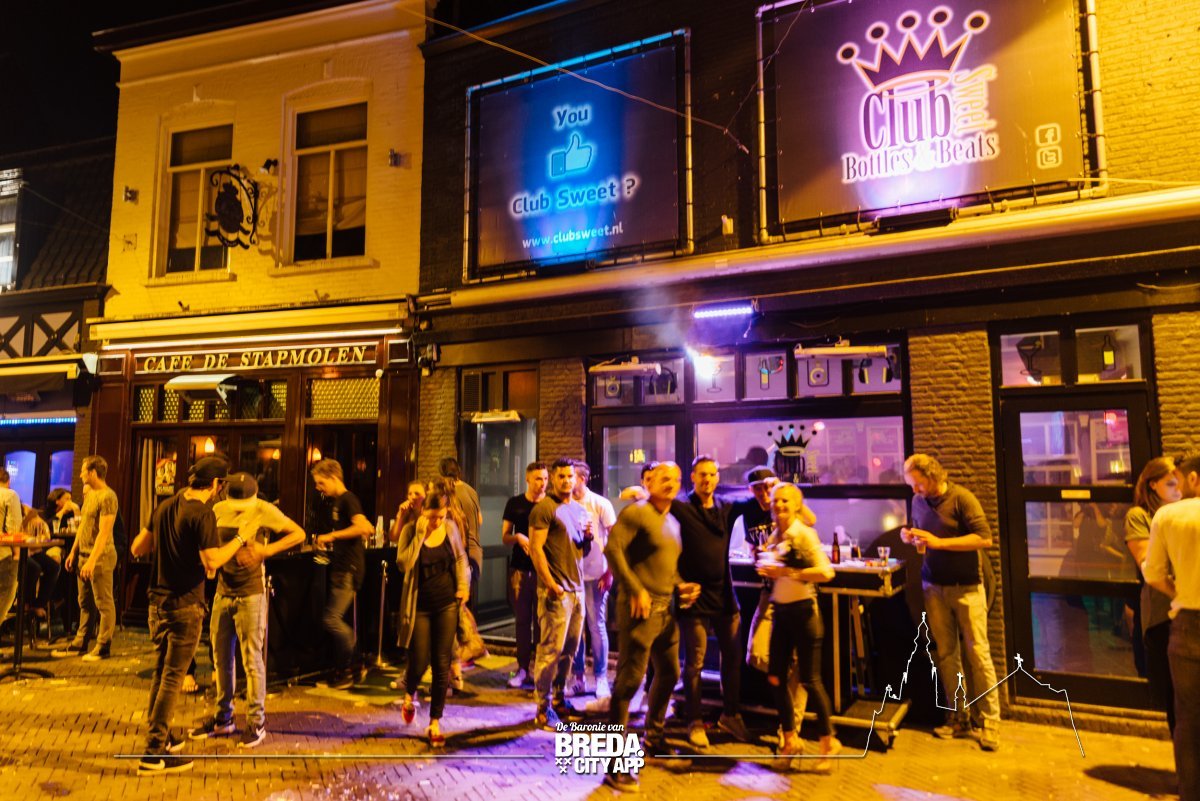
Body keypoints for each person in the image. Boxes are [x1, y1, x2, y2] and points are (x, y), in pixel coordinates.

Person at [129, 456, 245, 774]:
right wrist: (239, 539)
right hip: (184, 605)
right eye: (222, 484)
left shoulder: (166, 505)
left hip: (156, 603)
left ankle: (161, 736)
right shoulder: (203, 513)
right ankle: (153, 753)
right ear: (216, 484)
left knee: (161, 673)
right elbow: (212, 562)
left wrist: (171, 545)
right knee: (172, 678)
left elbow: (138, 548)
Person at [602, 462, 699, 793]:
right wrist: (634, 589)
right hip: (639, 610)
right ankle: (615, 765)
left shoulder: (672, 521)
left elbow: (667, 567)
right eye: (663, 478)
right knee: (628, 683)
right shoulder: (637, 513)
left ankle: (653, 741)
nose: (670, 483)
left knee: (669, 673)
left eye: (675, 479)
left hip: (666, 611)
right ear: (649, 482)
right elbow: (612, 549)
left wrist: (681, 585)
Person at [189, 473, 305, 749]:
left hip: (251, 594)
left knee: (252, 660)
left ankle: (256, 721)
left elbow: (298, 533)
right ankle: (224, 717)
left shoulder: (264, 509)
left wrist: (267, 550)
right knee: (221, 659)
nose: (240, 510)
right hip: (222, 592)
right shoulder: (218, 509)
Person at [901, 453, 1001, 752]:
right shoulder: (919, 501)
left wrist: (940, 543)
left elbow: (984, 539)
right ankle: (959, 717)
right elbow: (924, 541)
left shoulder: (962, 498)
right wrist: (912, 538)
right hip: (933, 586)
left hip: (967, 587)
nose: (915, 490)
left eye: (918, 483)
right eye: (911, 485)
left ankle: (990, 722)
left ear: (933, 476)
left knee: (978, 653)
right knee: (946, 654)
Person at [757, 483, 840, 770]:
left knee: (810, 680)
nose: (779, 505)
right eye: (775, 501)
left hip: (804, 612)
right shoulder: (775, 536)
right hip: (781, 612)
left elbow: (826, 572)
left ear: (796, 505)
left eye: (785, 501)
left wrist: (788, 572)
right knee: (775, 678)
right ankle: (791, 739)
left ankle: (828, 741)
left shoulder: (803, 533)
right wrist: (768, 569)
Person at [672, 456, 751, 747]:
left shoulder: (725, 507)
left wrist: (770, 487)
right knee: (695, 663)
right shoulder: (681, 507)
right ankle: (694, 722)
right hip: (695, 598)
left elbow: (755, 500)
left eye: (712, 474)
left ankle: (731, 714)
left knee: (732, 658)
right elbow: (655, 506)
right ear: (693, 477)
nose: (707, 479)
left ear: (718, 477)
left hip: (725, 594)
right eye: (702, 474)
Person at [395, 488, 470, 747]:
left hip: (447, 603)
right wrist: (420, 537)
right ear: (422, 512)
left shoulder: (450, 528)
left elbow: (460, 558)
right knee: (419, 660)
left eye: (440, 516)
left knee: (442, 663)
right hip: (419, 606)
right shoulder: (411, 530)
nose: (436, 522)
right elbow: (403, 564)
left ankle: (434, 723)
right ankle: (409, 693)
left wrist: (463, 586)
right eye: (431, 516)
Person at [1144, 453, 1200, 801]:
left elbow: (1152, 573)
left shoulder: (1168, 516)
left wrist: (1178, 591)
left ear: (1193, 479)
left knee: (1189, 719)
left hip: (1188, 622)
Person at [528, 457, 587, 730]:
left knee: (569, 651)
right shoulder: (543, 509)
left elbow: (578, 549)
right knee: (550, 651)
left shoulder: (578, 509)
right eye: (561, 476)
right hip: (556, 593)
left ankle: (559, 698)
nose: (566, 480)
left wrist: (587, 539)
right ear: (553, 478)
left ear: (576, 479)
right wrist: (551, 585)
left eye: (570, 476)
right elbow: (536, 549)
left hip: (577, 591)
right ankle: (542, 708)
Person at [1126, 457, 1181, 733]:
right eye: (1170, 484)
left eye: (1178, 483)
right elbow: (1147, 564)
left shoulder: (1184, 511)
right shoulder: (1140, 516)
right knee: (1172, 691)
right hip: (1162, 609)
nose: (1177, 489)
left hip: (1185, 608)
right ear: (1152, 484)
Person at [311, 458, 373, 689]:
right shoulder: (337, 502)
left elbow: (363, 527)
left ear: (334, 478)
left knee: (331, 619)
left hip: (349, 569)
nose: (318, 488)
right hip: (341, 568)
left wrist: (332, 536)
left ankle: (353, 664)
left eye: (321, 482)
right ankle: (348, 668)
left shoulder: (348, 499)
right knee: (335, 618)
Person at [55, 455, 119, 662]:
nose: (80, 474)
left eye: (83, 470)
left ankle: (103, 645)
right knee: (84, 602)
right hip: (83, 556)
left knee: (103, 602)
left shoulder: (108, 496)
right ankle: (81, 641)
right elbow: (83, 526)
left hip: (100, 557)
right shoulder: (90, 495)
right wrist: (74, 552)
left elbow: (104, 533)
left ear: (92, 472)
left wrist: (92, 560)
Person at [570, 459, 615, 699]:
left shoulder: (600, 503)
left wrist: (610, 571)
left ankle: (601, 678)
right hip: (572, 576)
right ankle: (577, 677)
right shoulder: (564, 504)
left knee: (596, 626)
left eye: (572, 476)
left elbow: (615, 539)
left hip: (596, 573)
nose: (567, 480)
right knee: (575, 628)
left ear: (582, 479)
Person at [502, 461, 547, 689]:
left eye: (545, 479)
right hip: (520, 569)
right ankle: (522, 668)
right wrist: (518, 538)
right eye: (538, 479)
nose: (542, 483)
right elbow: (504, 537)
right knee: (522, 621)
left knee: (542, 622)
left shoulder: (550, 504)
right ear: (528, 479)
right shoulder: (515, 503)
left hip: (543, 571)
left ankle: (539, 668)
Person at [438, 458, 483, 606]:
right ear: (458, 471)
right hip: (475, 552)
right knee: (467, 605)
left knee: (456, 607)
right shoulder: (471, 490)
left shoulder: (448, 492)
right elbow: (480, 520)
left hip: (460, 555)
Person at [0, 472, 22, 626]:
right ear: (8, 481)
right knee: (5, 594)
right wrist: (17, 554)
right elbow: (14, 529)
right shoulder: (9, 495)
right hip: (3, 553)